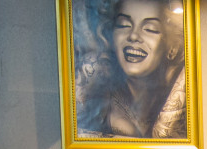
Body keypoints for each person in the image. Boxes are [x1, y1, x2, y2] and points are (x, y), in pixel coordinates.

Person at [75, 0, 187, 138]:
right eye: (124, 25)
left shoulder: (182, 94)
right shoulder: (93, 83)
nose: (133, 36)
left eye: (150, 29)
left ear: (172, 48)